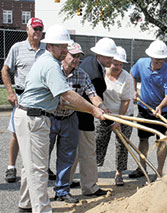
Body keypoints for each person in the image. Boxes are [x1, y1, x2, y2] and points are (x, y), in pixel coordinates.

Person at [13, 24, 105, 213]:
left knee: (30, 166)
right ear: (50, 46)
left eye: (66, 45)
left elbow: (53, 93)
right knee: (38, 169)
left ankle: (26, 205)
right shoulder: (51, 65)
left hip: (31, 115)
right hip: (34, 118)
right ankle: (42, 210)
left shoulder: (47, 61)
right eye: (61, 46)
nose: (65, 49)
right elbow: (68, 94)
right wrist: (93, 110)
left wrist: (58, 101)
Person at [48, 42, 106, 203]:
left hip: (69, 119)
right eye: (73, 56)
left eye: (78, 56)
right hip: (50, 118)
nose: (76, 59)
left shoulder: (82, 74)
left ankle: (62, 191)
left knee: (67, 157)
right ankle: (36, 195)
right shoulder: (54, 70)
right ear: (65, 55)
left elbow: (92, 94)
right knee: (42, 157)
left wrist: (101, 107)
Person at [1, 17, 47, 183]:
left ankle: (41, 167)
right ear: (27, 30)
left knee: (42, 133)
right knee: (16, 133)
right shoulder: (17, 48)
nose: (37, 32)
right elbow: (5, 70)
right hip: (22, 97)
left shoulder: (46, 50)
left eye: (40, 29)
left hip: (42, 97)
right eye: (34, 29)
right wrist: (10, 92)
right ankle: (11, 167)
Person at [71, 37, 116, 197]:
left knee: (73, 152)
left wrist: (104, 109)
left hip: (75, 116)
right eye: (109, 57)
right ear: (100, 55)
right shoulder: (94, 74)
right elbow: (93, 99)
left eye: (112, 56)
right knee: (88, 152)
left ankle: (67, 182)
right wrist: (106, 116)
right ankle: (90, 187)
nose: (112, 60)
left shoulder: (91, 61)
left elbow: (96, 99)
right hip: (82, 117)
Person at [129, 39, 167, 178]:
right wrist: (134, 91)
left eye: (161, 60)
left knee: (161, 140)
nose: (159, 63)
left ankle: (159, 171)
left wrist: (160, 107)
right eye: (156, 60)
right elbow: (132, 75)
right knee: (143, 139)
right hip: (144, 108)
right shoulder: (141, 63)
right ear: (150, 57)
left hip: (163, 111)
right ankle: (141, 168)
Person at [95, 46, 134, 186]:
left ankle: (119, 173)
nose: (117, 67)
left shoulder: (127, 78)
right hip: (104, 114)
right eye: (115, 63)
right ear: (109, 61)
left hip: (124, 114)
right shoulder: (102, 73)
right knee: (99, 141)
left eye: (120, 64)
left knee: (122, 144)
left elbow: (126, 100)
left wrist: (119, 119)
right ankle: (94, 173)